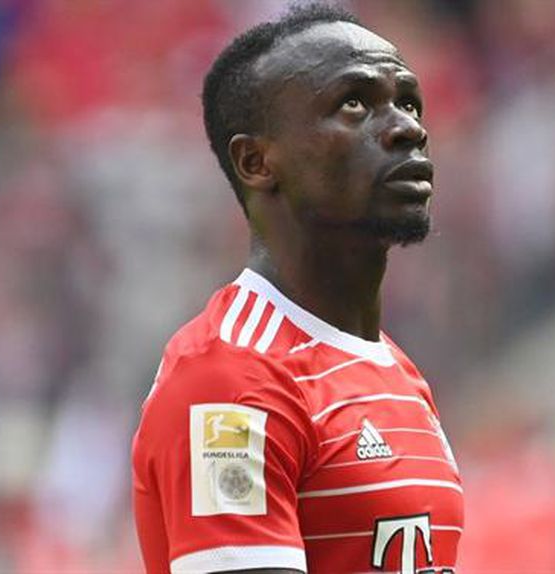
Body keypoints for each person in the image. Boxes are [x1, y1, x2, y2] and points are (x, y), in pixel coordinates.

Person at [131, 4, 463, 573]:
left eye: (408, 103)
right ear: (256, 161)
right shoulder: (230, 380)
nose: (409, 128)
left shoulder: (397, 373)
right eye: (354, 104)